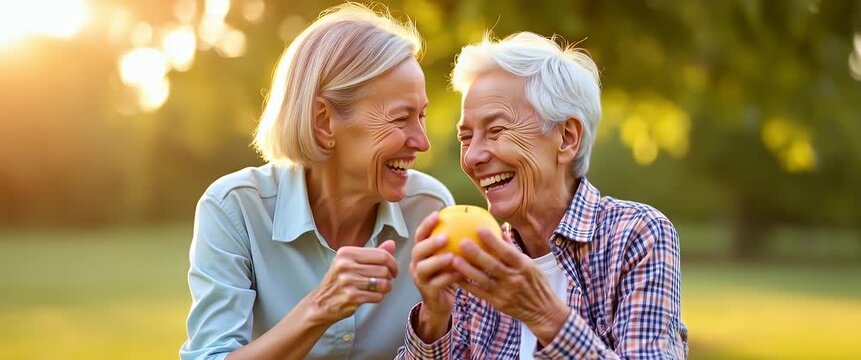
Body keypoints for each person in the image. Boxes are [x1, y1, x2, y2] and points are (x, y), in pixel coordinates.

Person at [180, 4, 454, 360]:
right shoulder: (236, 209)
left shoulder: (430, 210)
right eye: (401, 118)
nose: (422, 141)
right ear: (324, 121)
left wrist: (434, 321)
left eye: (421, 115)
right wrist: (321, 308)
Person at [400, 32, 688, 359]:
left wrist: (545, 315)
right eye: (466, 137)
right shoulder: (477, 257)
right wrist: (433, 319)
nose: (473, 156)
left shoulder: (635, 236)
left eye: (496, 130)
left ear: (566, 138)